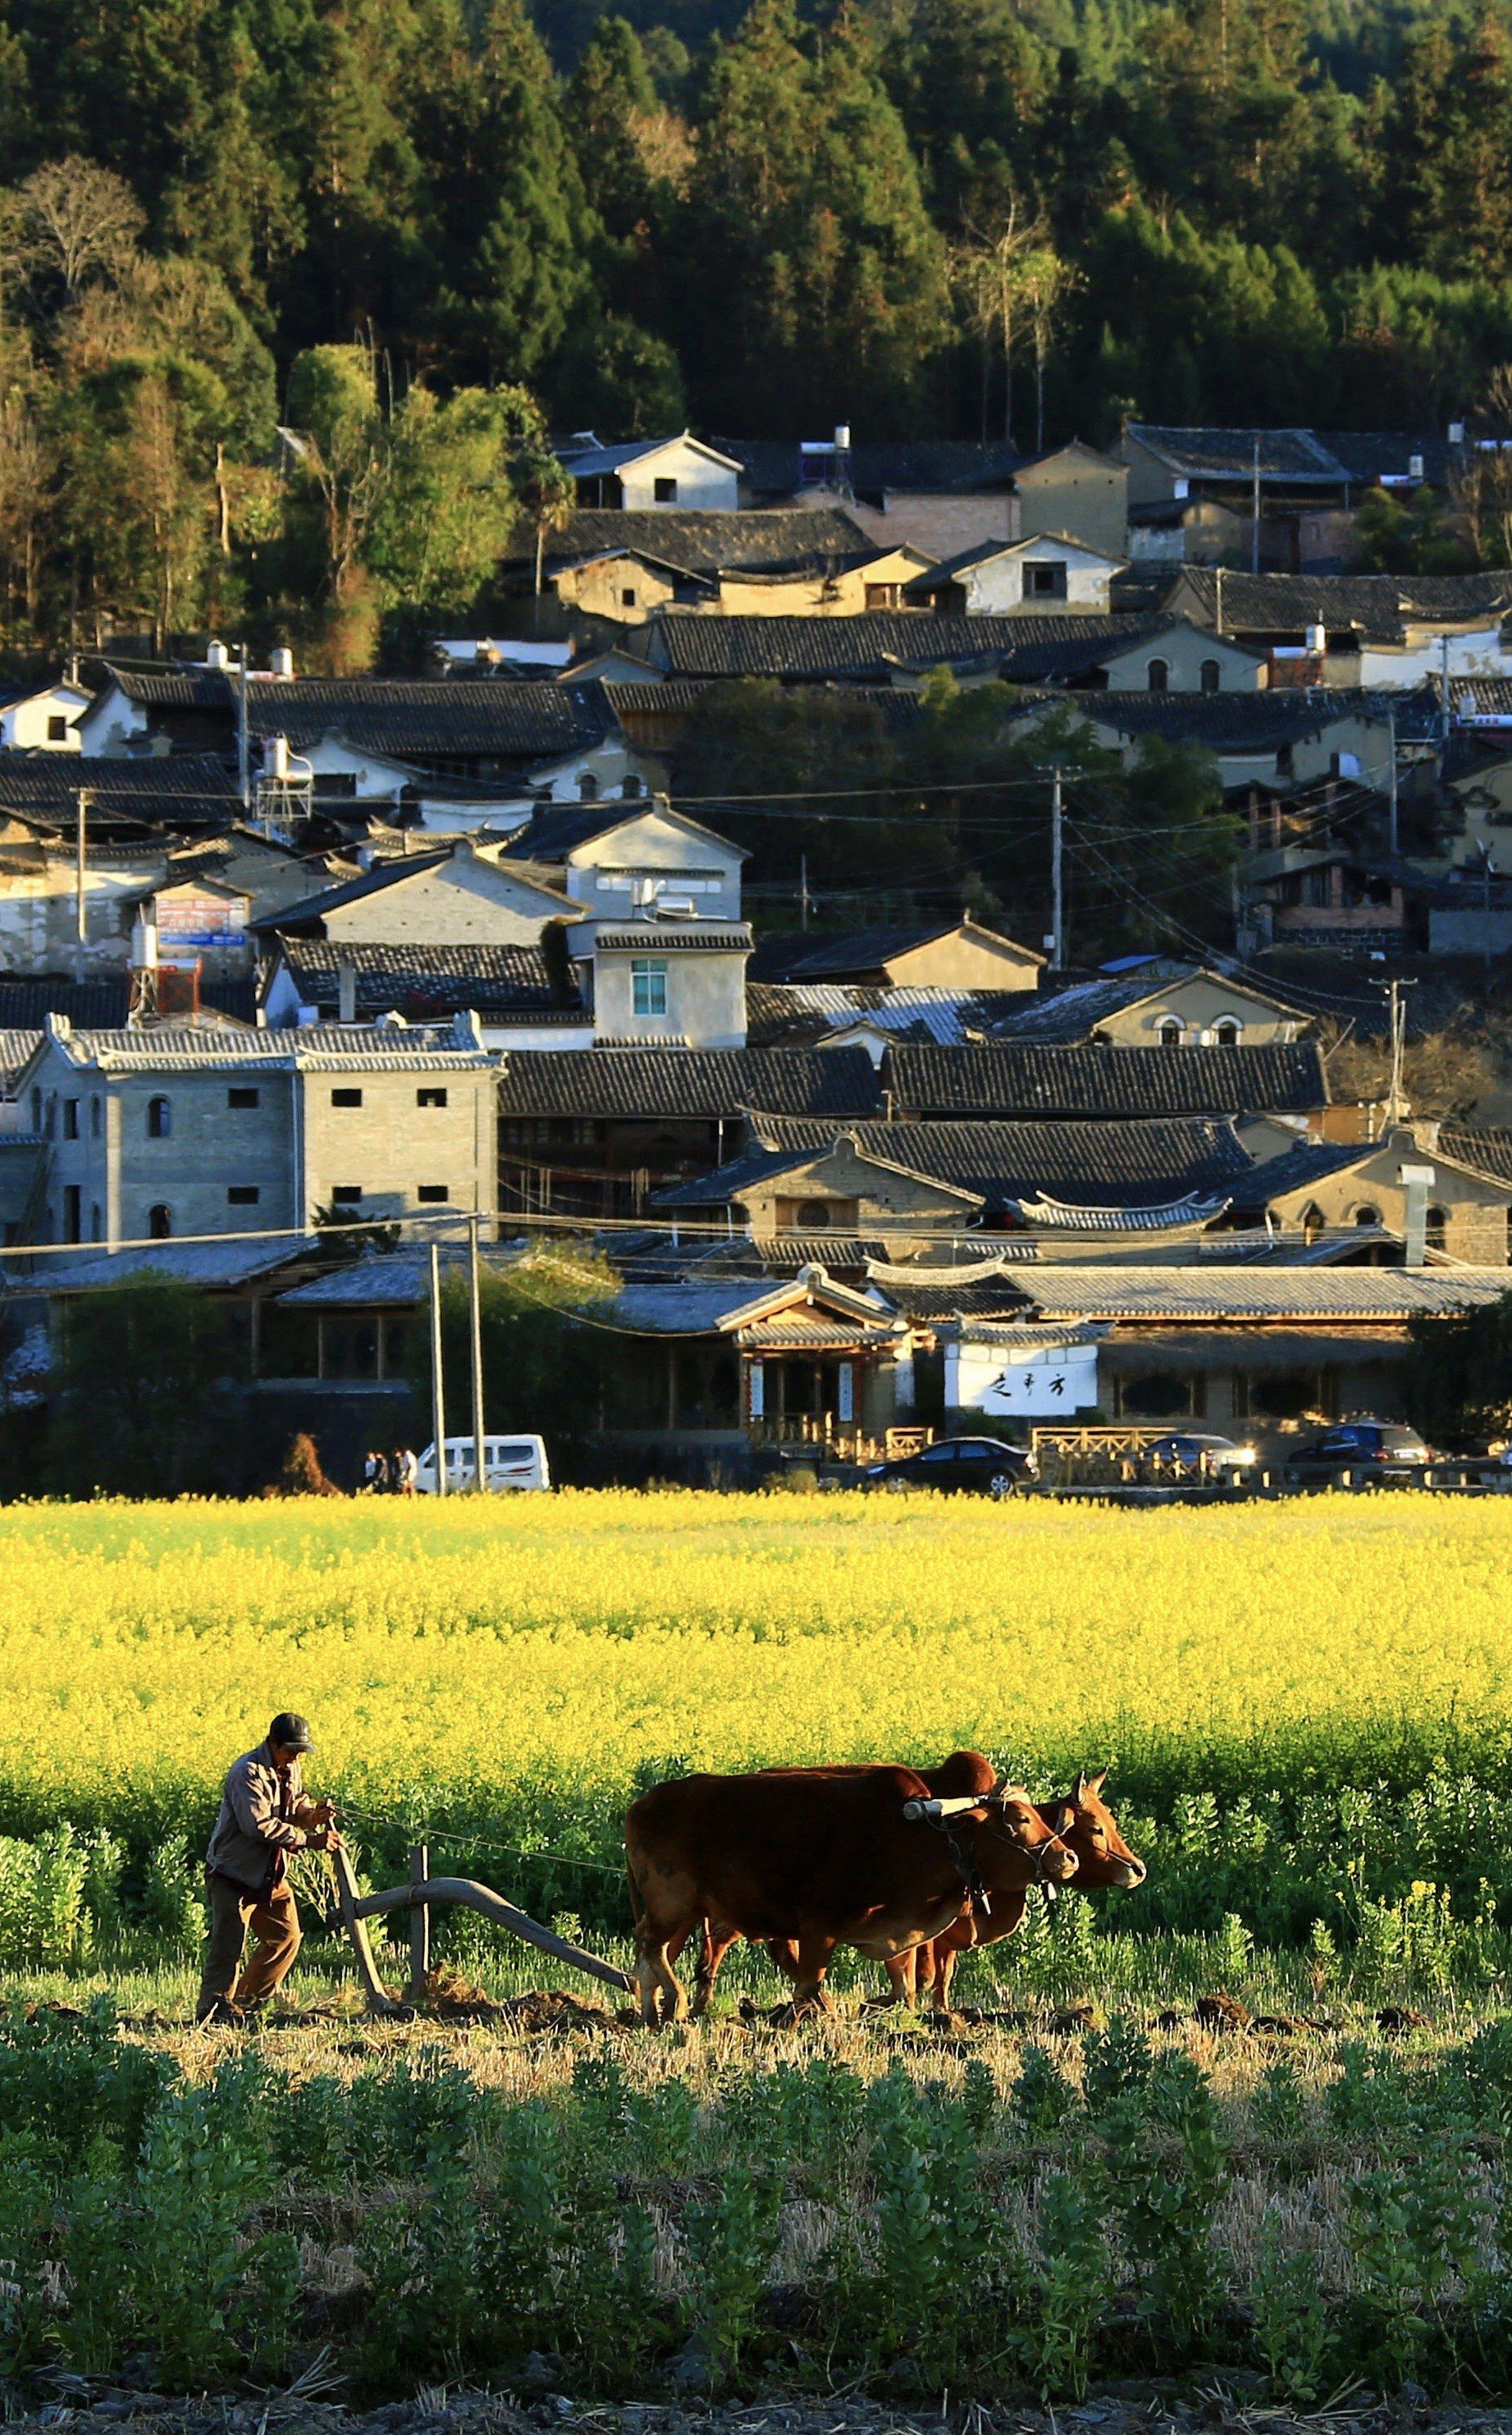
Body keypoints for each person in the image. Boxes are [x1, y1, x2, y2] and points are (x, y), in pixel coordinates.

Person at [196, 1711, 337, 2025]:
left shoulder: (290, 1766)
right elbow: (258, 1825)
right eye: (291, 1750)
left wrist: (311, 1815)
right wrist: (309, 1840)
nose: (296, 1757)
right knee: (229, 1949)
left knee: (287, 1937)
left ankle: (245, 2006)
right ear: (273, 1743)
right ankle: (212, 2014)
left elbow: (295, 1804)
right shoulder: (246, 1773)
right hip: (233, 1875)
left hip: (270, 1875)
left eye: (301, 1751)